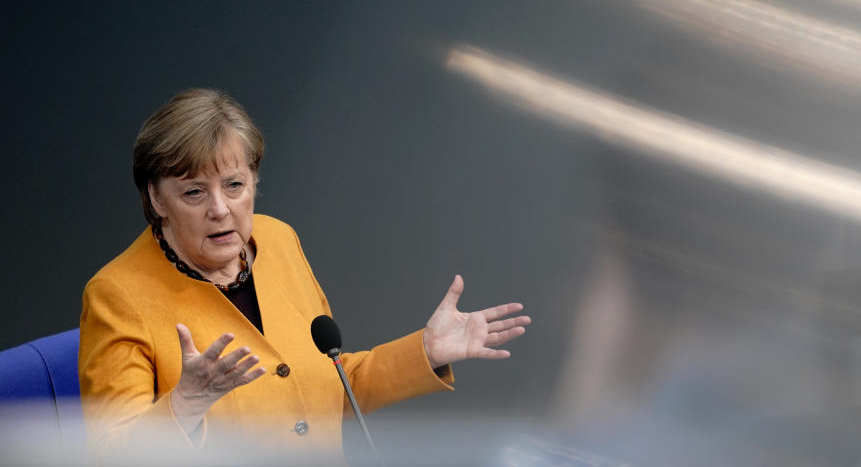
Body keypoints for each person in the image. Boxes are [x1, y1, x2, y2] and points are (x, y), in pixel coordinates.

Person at [78, 88, 529, 458]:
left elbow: (327, 388)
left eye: (234, 185)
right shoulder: (119, 295)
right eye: (194, 192)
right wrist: (184, 405)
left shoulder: (276, 241)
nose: (220, 209)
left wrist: (425, 351)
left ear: (254, 182)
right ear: (157, 199)